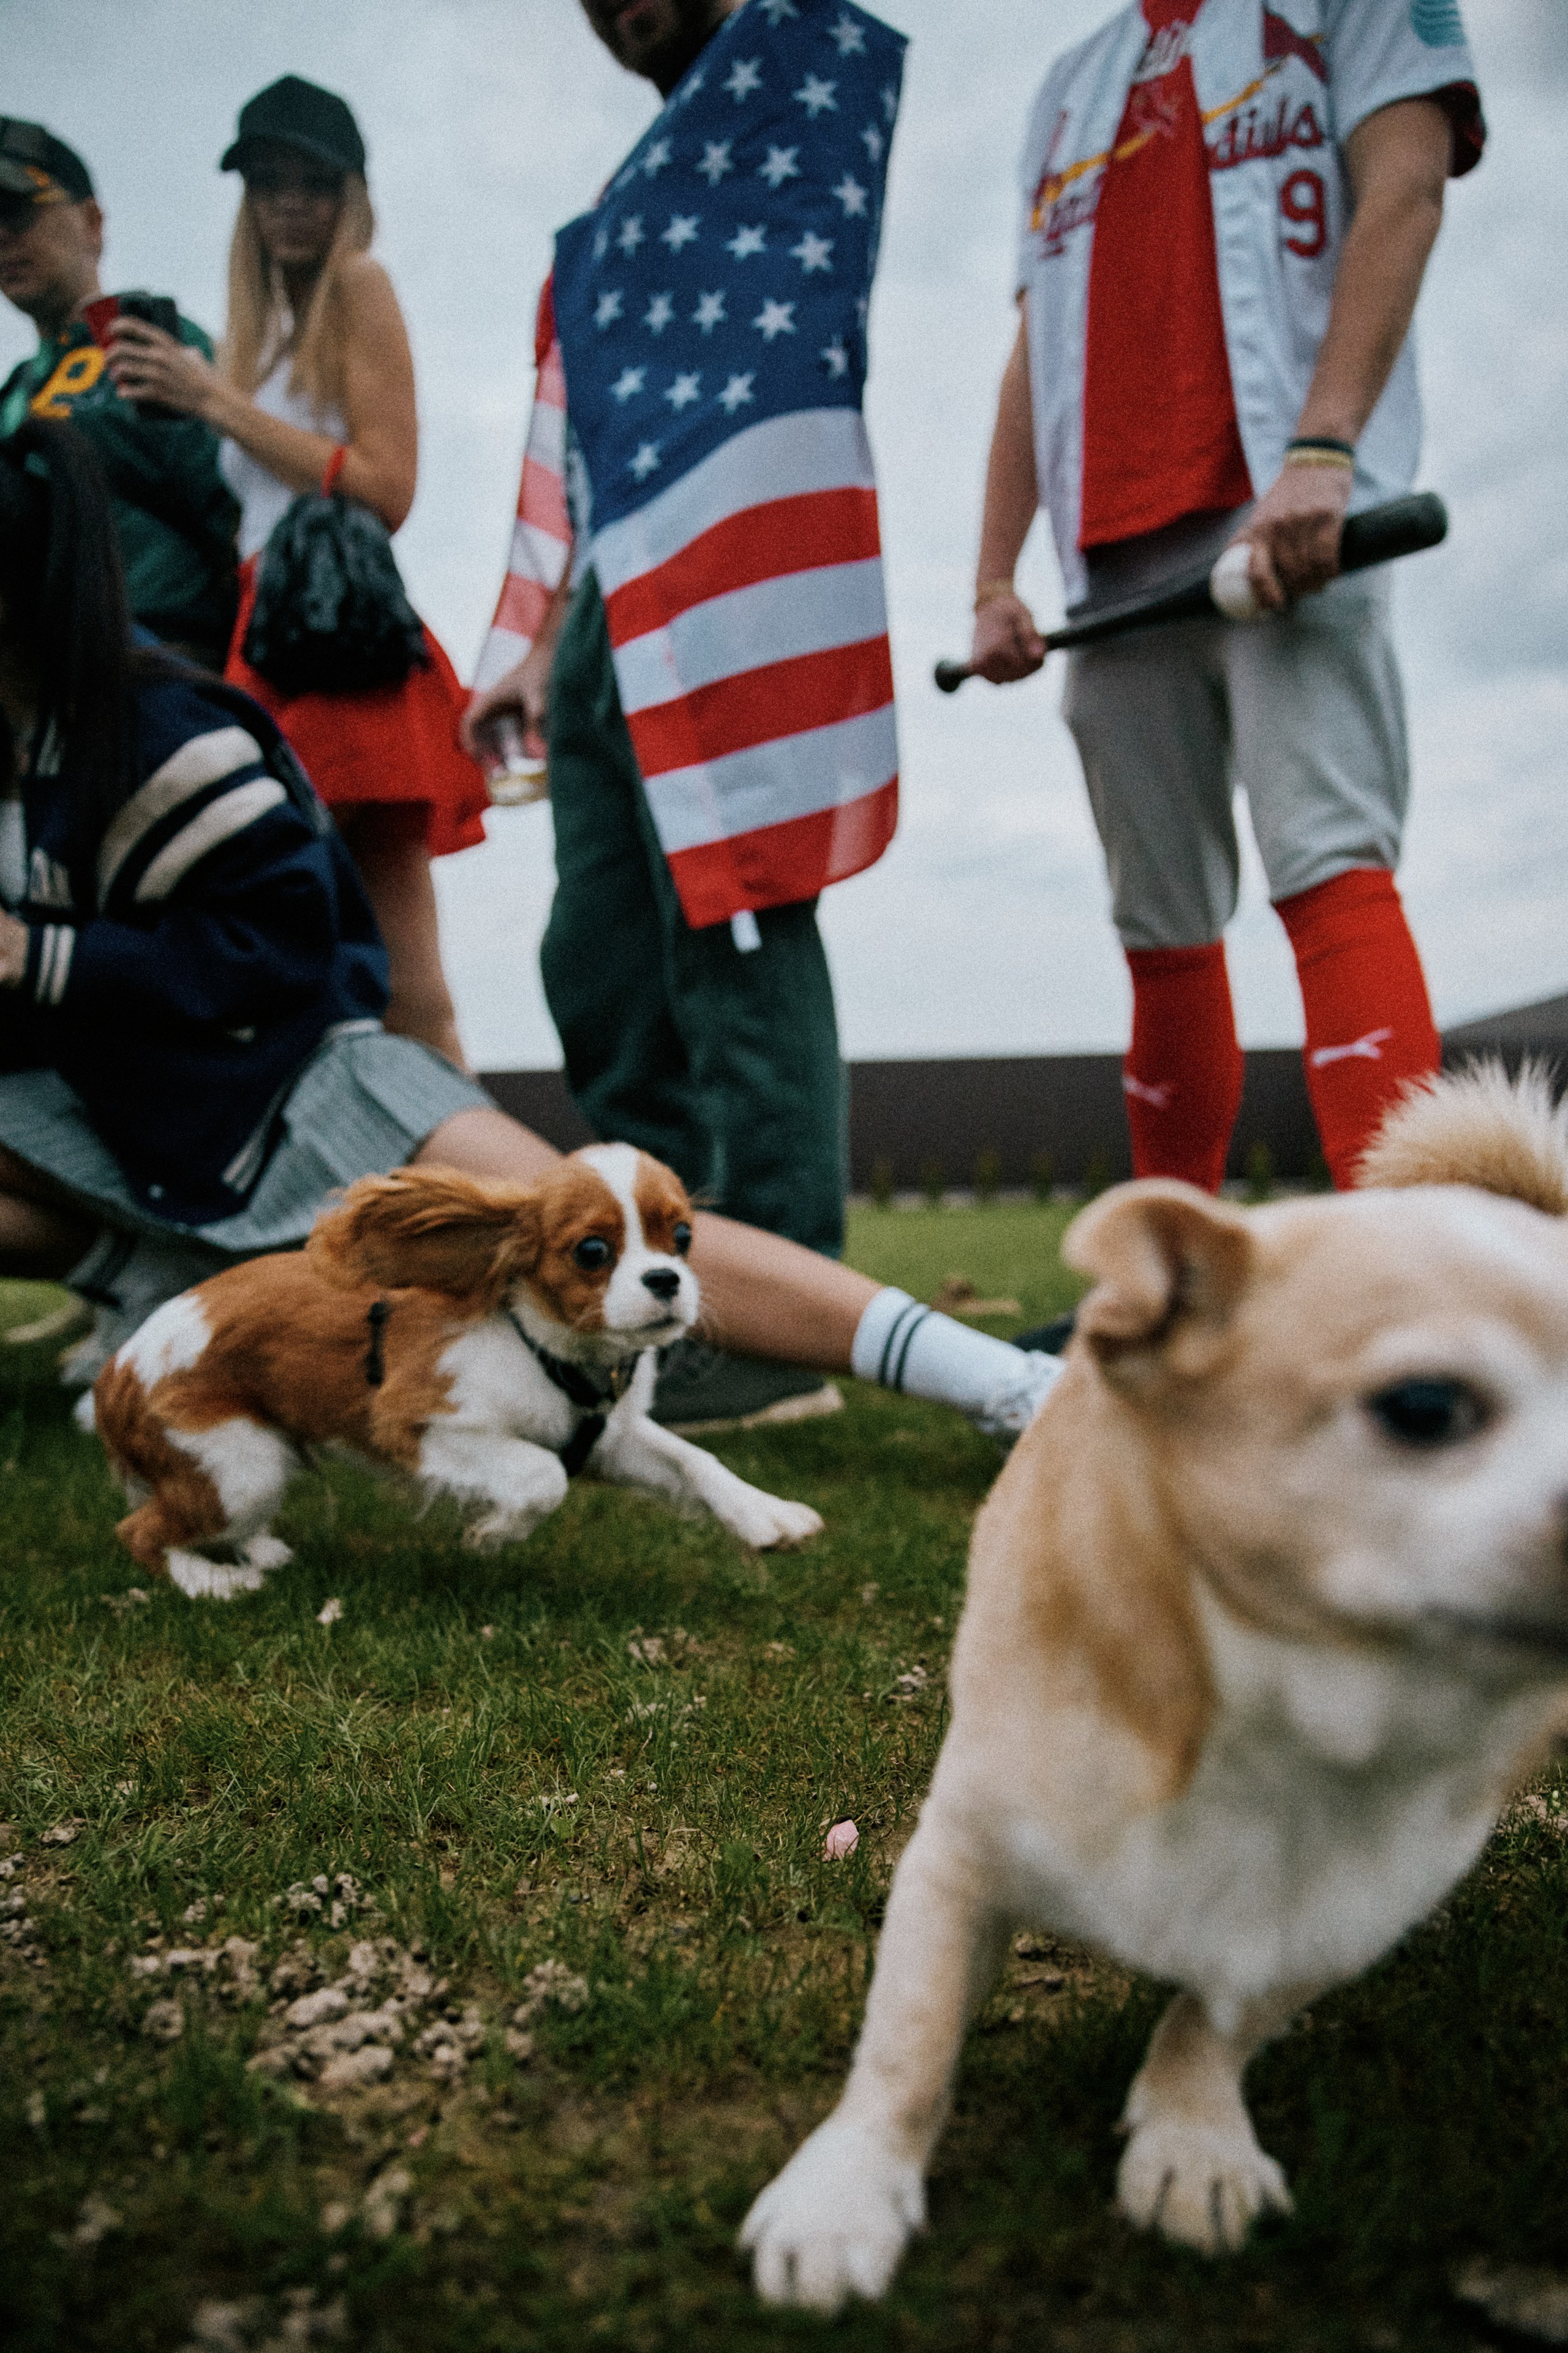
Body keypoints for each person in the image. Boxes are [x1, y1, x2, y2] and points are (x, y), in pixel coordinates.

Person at [0, 420, 1058, 1445]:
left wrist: (38, 956)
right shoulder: (27, 742)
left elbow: (285, 959)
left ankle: (1006, 1383)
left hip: (309, 1095)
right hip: (147, 1126)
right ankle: (146, 1268)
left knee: (575, 1222)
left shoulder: (166, 738)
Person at [464, 0, 905, 1429]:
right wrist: (531, 636)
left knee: (737, 927)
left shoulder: (772, 110)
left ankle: (783, 1312)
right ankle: (661, 1285)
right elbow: (576, 452)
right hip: (603, 601)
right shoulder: (619, 217)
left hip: (715, 565)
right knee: (598, 951)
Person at [969, 1, 1485, 1193]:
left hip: (1284, 512)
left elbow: (1404, 184)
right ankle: (1167, 1294)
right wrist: (995, 572)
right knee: (1159, 932)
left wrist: (1322, 448)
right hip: (1110, 562)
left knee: (1332, 871)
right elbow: (1032, 344)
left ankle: (1395, 1290)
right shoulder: (1066, 85)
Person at [102, 75, 487, 1071]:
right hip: (274, 635)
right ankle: (485, 1215)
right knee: (405, 982)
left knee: (269, 923)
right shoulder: (259, 332)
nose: (287, 203)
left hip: (332, 638)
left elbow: (389, 486)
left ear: (350, 193)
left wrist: (212, 402)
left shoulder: (359, 284)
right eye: (266, 182)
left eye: (312, 182)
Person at [0, 118, 238, 670]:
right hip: (45, 691)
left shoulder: (145, 336)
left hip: (165, 663)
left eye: (19, 211)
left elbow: (234, 509)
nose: (4, 236)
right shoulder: (11, 396)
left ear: (92, 222)